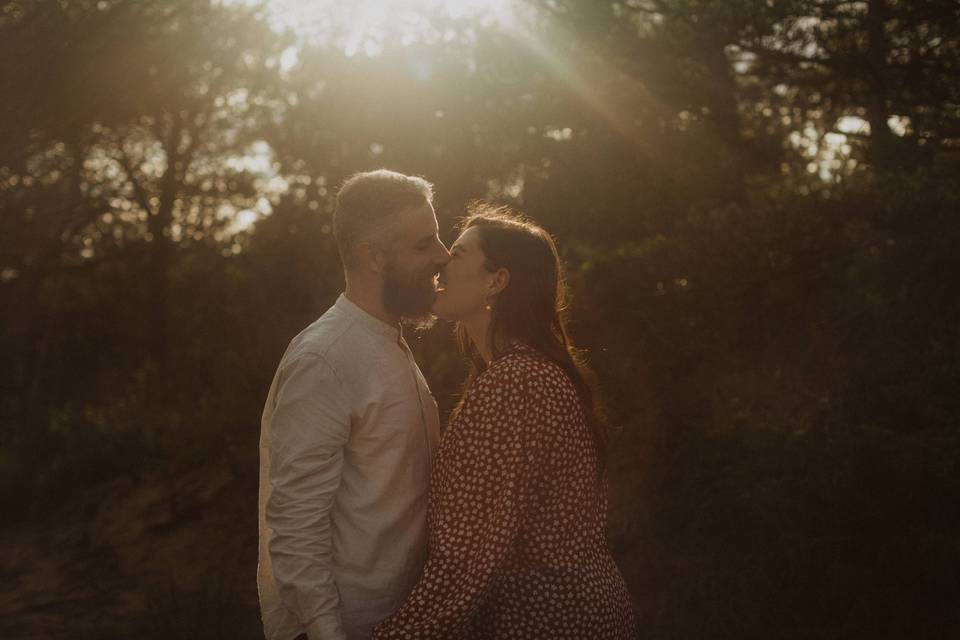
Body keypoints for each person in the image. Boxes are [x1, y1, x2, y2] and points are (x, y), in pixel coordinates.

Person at [373, 204, 637, 639]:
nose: (440, 260)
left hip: (547, 621)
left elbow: (472, 551)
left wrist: (395, 635)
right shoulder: (526, 373)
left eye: (457, 254)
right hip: (575, 612)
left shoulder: (516, 383)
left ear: (496, 281)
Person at [257, 169, 451, 640]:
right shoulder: (326, 358)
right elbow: (295, 521)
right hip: (349, 626)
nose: (443, 256)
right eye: (424, 244)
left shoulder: (388, 344)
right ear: (373, 257)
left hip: (402, 622)